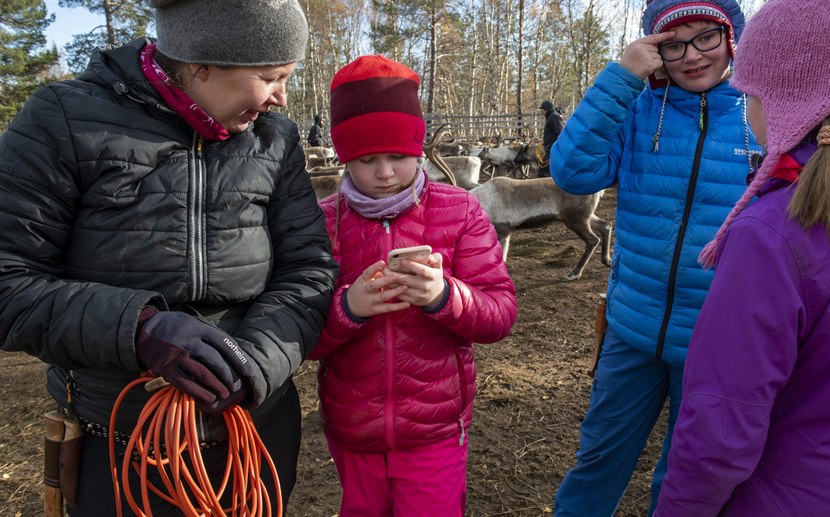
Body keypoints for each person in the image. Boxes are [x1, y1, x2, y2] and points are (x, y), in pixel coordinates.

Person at [0, 0, 338, 515]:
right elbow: (8, 281)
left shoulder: (275, 140)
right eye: (270, 77)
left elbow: (308, 270)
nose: (280, 98)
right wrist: (137, 329)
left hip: (255, 430)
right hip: (119, 442)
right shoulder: (62, 120)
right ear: (201, 64)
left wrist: (254, 365)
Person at [656, 0, 830, 515]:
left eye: (750, 93)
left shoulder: (770, 233)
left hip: (779, 496)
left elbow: (722, 427)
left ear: (787, 101)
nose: (745, 106)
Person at [550, 0, 761, 515]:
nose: (691, 55)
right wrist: (621, 79)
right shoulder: (639, 108)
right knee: (599, 457)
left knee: (684, 473)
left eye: (705, 37)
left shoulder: (762, 113)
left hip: (716, 341)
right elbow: (573, 172)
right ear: (652, 48)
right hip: (631, 328)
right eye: (673, 42)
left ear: (732, 36)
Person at [308, 55, 518, 516]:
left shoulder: (459, 211)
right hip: (353, 427)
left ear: (418, 151)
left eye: (399, 157)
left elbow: (500, 313)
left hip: (435, 428)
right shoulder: (323, 224)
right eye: (366, 160)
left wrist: (445, 297)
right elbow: (302, 337)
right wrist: (349, 308)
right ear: (345, 158)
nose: (385, 174)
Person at [538, 100, 564, 177]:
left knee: (544, 170)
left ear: (546, 109)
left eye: (542, 109)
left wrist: (555, 147)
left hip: (552, 148)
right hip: (550, 147)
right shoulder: (551, 116)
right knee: (545, 168)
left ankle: (542, 186)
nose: (542, 111)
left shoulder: (554, 117)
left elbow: (560, 133)